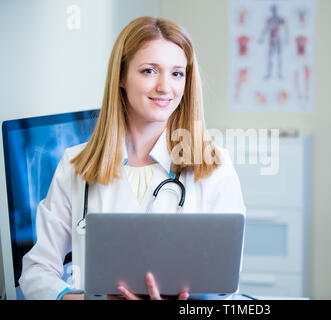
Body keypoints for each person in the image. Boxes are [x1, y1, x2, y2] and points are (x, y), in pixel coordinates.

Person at [19, 16, 246, 300]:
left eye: (177, 73)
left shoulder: (215, 167)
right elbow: (36, 271)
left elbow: (226, 286)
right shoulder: (76, 164)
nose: (165, 87)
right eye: (150, 71)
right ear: (122, 77)